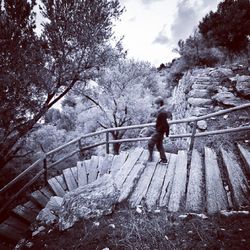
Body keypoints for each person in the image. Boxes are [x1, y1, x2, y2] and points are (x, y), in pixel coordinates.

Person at [147, 96, 172, 163]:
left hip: (159, 132)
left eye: (155, 104)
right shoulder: (162, 111)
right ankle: (163, 159)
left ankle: (150, 158)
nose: (154, 106)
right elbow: (163, 122)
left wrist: (167, 134)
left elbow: (165, 124)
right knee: (159, 145)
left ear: (159, 104)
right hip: (160, 131)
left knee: (150, 143)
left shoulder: (162, 112)